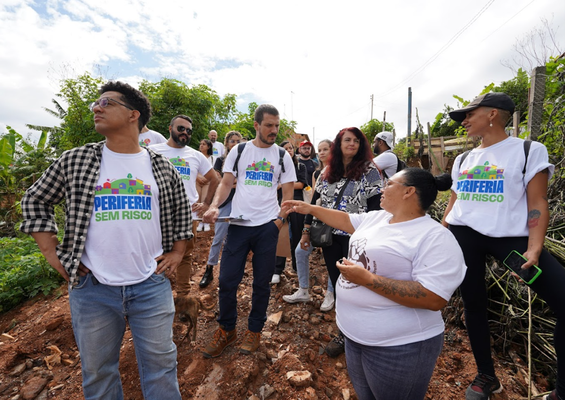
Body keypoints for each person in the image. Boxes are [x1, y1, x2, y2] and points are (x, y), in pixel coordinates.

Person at [20, 81, 191, 400]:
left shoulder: (161, 166)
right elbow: (35, 200)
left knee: (162, 368)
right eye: (95, 104)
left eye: (107, 103)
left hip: (150, 285)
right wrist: (52, 253)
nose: (96, 108)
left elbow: (181, 208)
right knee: (99, 373)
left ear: (133, 115)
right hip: (93, 290)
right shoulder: (77, 160)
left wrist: (178, 252)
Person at [282, 168, 467, 400]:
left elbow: (434, 297)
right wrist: (310, 208)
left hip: (399, 348)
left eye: (389, 184)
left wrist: (368, 280)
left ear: (409, 191)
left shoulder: (434, 237)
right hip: (355, 339)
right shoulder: (377, 218)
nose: (381, 188)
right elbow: (345, 219)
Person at [442, 92, 565, 400]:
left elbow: (537, 201)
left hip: (510, 244)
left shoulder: (526, 150)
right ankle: (486, 376)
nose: (465, 121)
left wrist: (534, 248)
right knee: (474, 304)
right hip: (464, 237)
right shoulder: (463, 159)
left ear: (494, 114)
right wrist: (441, 234)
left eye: (470, 114)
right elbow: (455, 201)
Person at [201, 104, 296, 358]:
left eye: (276, 126)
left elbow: (288, 194)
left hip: (267, 227)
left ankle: (254, 331)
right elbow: (226, 183)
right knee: (226, 280)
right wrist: (214, 206)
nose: (273, 130)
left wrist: (278, 221)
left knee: (262, 283)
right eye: (268, 125)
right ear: (256, 125)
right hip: (239, 225)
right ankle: (227, 329)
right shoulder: (240, 151)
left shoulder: (282, 156)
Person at [302, 127, 382, 357]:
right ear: (339, 144)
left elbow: (377, 205)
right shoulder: (328, 170)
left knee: (358, 285)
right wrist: (306, 230)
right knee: (339, 283)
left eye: (356, 141)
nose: (352, 144)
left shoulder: (369, 171)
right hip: (329, 236)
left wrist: (372, 235)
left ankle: (363, 333)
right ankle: (345, 332)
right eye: (347, 140)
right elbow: (316, 202)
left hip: (356, 237)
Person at [150, 116, 219, 296]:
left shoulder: (195, 155)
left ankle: (182, 295)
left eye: (189, 131)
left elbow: (214, 179)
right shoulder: (151, 151)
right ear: (170, 127)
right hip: (156, 213)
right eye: (181, 128)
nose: (185, 133)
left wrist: (206, 203)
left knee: (185, 255)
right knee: (154, 252)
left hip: (187, 215)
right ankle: (155, 293)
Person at [283, 139, 335, 311]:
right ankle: (303, 289)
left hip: (335, 221)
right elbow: (314, 198)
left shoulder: (343, 172)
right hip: (318, 219)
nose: (321, 153)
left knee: (331, 258)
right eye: (319, 150)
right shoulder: (317, 173)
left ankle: (331, 293)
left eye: (325, 149)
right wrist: (308, 226)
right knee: (300, 251)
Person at [199, 130, 243, 288]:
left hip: (241, 203)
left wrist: (231, 182)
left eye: (238, 141)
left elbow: (238, 182)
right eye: (232, 141)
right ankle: (209, 270)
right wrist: (234, 182)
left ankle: (231, 272)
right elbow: (219, 181)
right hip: (225, 202)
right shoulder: (221, 160)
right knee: (218, 238)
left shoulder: (244, 159)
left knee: (237, 240)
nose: (235, 144)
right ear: (226, 143)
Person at [271, 140, 308, 284]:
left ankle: (297, 267)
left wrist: (283, 185)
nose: (289, 150)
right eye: (285, 148)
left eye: (291, 148)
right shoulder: (277, 166)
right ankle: (277, 270)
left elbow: (302, 184)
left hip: (297, 204)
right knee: (282, 235)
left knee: (298, 236)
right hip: (281, 203)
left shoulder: (300, 165)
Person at [196, 139, 215, 232]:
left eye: (204, 144)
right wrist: (198, 178)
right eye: (200, 144)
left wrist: (206, 179)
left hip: (208, 182)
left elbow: (215, 173)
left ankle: (206, 222)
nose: (201, 145)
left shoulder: (212, 158)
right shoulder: (196, 156)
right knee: (198, 201)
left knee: (204, 201)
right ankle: (200, 222)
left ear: (208, 146)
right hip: (197, 181)